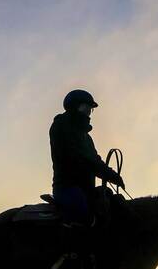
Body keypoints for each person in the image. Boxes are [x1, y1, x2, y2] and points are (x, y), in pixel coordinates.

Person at [49, 89, 125, 229]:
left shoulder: (86, 137)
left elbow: (94, 158)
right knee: (83, 216)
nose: (89, 112)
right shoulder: (61, 126)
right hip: (67, 187)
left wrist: (112, 174)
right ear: (75, 106)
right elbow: (80, 157)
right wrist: (108, 174)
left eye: (90, 109)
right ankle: (73, 250)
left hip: (86, 188)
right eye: (86, 107)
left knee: (113, 205)